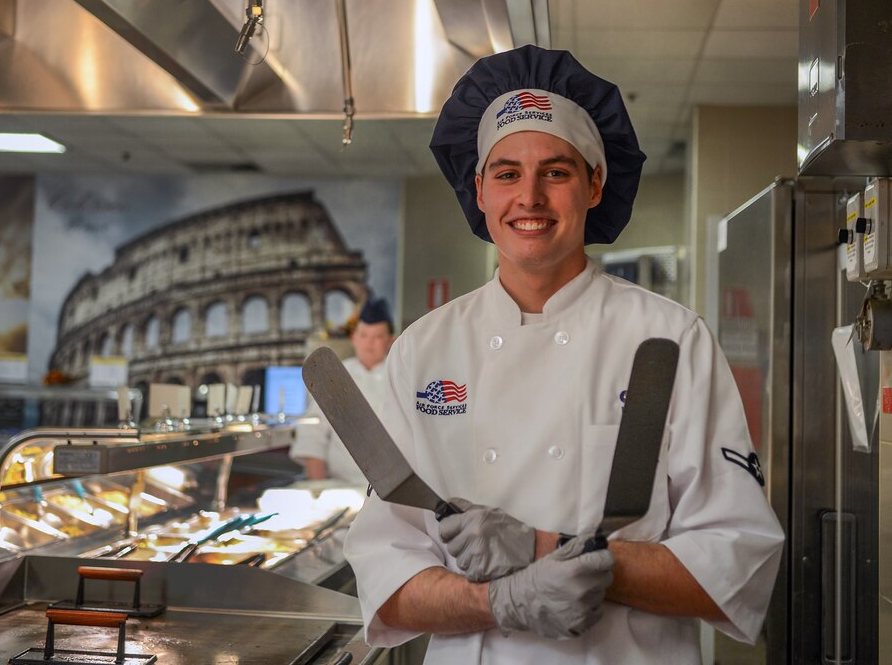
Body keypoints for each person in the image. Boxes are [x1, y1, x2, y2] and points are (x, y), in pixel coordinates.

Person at [343, 46, 785, 664]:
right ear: (479, 188)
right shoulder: (422, 350)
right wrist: (499, 602)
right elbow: (384, 579)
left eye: (556, 172)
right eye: (506, 173)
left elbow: (736, 565)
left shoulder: (669, 340)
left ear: (594, 184)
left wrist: (543, 547)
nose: (529, 197)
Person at [290, 297, 395, 485]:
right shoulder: (334, 375)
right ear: (354, 338)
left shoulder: (400, 376)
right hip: (341, 484)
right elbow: (313, 430)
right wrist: (318, 486)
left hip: (392, 485)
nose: (369, 344)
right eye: (364, 336)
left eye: (378, 337)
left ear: (390, 340)